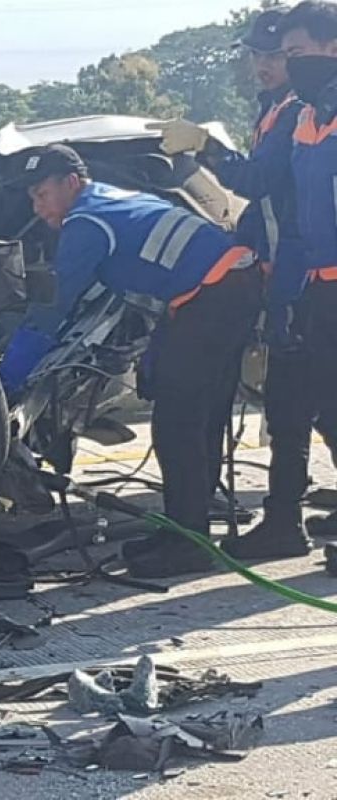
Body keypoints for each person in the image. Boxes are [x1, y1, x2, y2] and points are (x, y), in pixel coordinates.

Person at [0, 145, 262, 579]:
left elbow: (52, 311)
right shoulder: (110, 197)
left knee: (177, 425)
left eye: (42, 194)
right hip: (229, 285)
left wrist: (7, 378)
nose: (38, 206)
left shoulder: (86, 223)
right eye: (32, 198)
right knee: (202, 417)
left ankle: (188, 544)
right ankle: (188, 528)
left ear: (72, 182)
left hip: (212, 297)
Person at [154, 8, 331, 560]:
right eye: (256, 54)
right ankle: (284, 519)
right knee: (297, 401)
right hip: (301, 276)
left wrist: (206, 149)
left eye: (279, 55)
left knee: (304, 399)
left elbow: (259, 182)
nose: (264, 64)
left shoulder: (298, 115)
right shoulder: (292, 112)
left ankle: (285, 521)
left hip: (305, 276)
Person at [263, 0, 337, 544]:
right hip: (319, 281)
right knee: (311, 401)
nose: (291, 65)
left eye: (299, 52)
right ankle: (283, 522)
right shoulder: (308, 117)